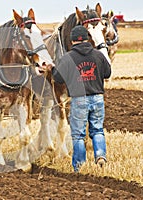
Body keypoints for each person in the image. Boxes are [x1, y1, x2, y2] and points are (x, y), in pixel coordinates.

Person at [51, 25, 111, 172]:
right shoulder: (98, 55)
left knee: (78, 135)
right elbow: (107, 73)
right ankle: (100, 155)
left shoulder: (68, 57)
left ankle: (79, 165)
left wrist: (52, 68)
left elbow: (57, 78)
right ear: (87, 38)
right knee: (97, 130)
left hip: (79, 100)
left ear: (72, 41)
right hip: (97, 97)